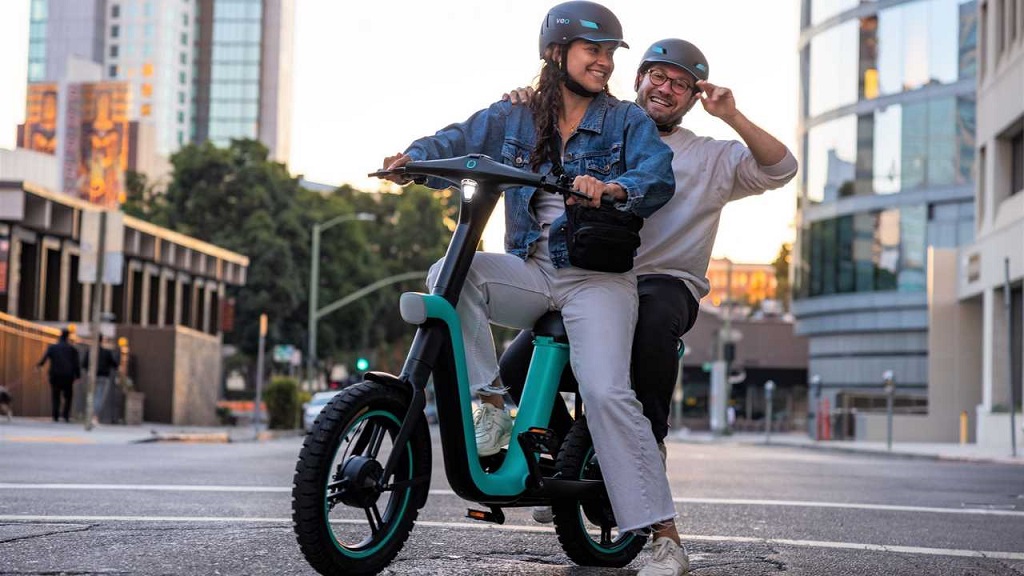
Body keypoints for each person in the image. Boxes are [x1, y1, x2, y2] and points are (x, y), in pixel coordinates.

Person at [381, 4, 690, 574]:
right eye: (592, 51)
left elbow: (657, 175)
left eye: (610, 54)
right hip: (533, 269)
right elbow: (460, 137)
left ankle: (665, 539)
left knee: (604, 394)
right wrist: (412, 160)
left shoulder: (625, 120)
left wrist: (615, 188)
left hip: (597, 280)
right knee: (449, 277)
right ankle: (492, 403)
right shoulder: (515, 116)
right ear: (557, 53)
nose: (604, 62)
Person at [500, 37, 797, 556]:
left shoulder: (713, 157)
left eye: (680, 84)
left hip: (664, 282)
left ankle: (647, 444)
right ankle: (568, 452)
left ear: (692, 97)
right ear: (637, 80)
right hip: (590, 278)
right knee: (517, 363)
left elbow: (782, 168)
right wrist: (527, 103)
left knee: (654, 312)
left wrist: (731, 115)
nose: (666, 89)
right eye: (657, 77)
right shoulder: (605, 133)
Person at [36, 328, 81, 422]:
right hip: (68, 376)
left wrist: (39, 366)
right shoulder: (72, 349)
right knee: (68, 396)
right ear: (68, 337)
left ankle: (55, 415)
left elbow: (45, 358)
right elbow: (76, 364)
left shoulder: (53, 347)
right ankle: (65, 415)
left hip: (55, 374)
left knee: (55, 395)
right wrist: (78, 375)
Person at [83, 334, 120, 425]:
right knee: (99, 397)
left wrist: (89, 370)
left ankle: (89, 415)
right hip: (103, 376)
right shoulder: (106, 352)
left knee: (90, 396)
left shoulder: (90, 351)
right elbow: (114, 364)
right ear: (101, 340)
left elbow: (84, 364)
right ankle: (94, 416)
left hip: (92, 376)